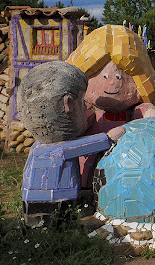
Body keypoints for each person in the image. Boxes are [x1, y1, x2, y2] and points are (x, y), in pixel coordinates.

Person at [18, 61, 119, 227]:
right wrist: (109, 138)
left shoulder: (38, 146)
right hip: (53, 201)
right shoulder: (55, 149)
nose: (87, 108)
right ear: (69, 104)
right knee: (56, 226)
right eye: (82, 103)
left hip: (45, 198)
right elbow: (80, 147)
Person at [66, 24, 155, 188]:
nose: (112, 83)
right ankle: (85, 190)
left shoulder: (134, 111)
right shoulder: (88, 110)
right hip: (94, 149)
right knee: (88, 166)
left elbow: (142, 113)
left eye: (119, 76)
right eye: (104, 76)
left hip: (127, 156)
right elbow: (80, 123)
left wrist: (149, 113)